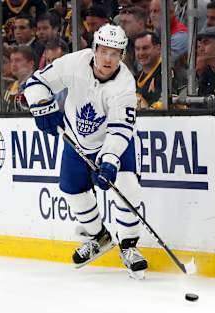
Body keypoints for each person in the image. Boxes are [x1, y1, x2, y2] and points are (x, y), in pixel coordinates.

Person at [23, 24, 148, 279]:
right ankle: (98, 237)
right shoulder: (74, 63)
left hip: (111, 142)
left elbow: (120, 130)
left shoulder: (124, 85)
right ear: (94, 49)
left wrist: (110, 161)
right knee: (72, 190)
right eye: (104, 51)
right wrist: (41, 106)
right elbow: (36, 82)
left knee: (126, 185)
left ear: (122, 56)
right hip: (76, 139)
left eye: (115, 53)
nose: (108, 59)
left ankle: (129, 246)